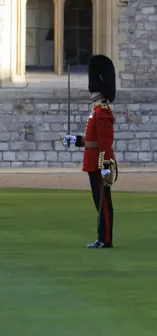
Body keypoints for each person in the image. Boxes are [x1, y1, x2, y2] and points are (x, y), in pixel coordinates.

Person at [63, 55, 117, 249]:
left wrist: (105, 165)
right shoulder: (96, 112)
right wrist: (75, 140)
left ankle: (106, 239)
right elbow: (91, 141)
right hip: (93, 162)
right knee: (99, 202)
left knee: (103, 203)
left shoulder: (102, 113)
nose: (91, 92)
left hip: (98, 163)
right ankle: (102, 237)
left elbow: (105, 144)